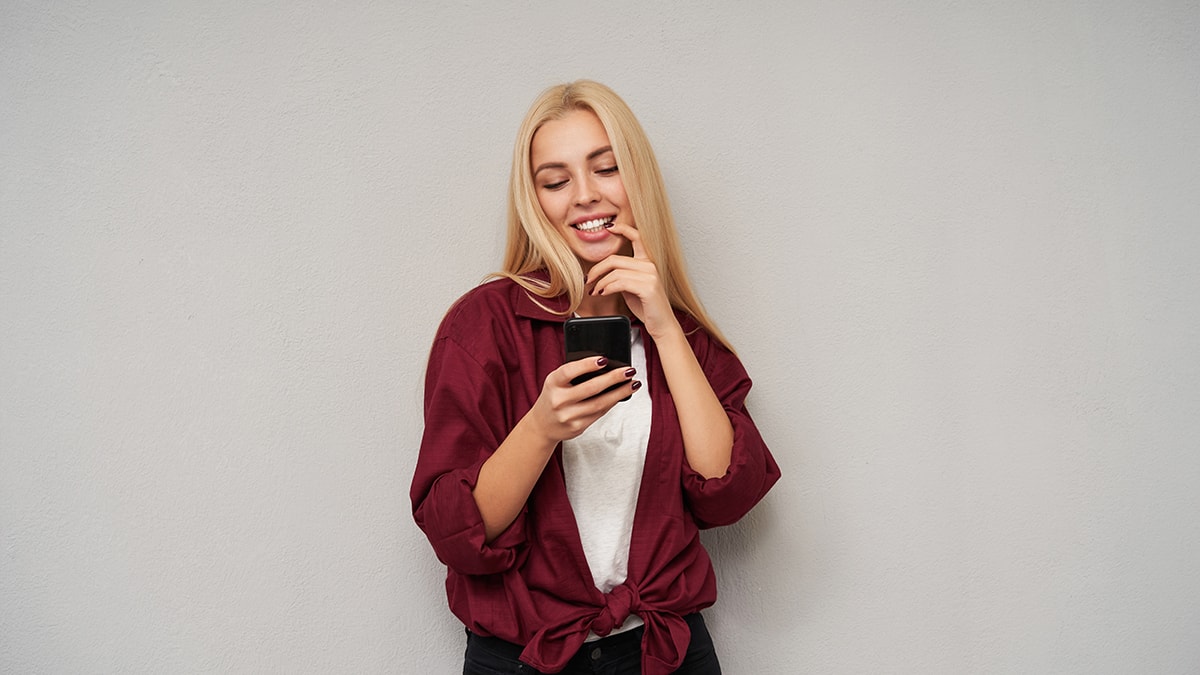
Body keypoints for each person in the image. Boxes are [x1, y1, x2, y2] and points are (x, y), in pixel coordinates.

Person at [410, 80, 780, 675]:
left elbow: (728, 492)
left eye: (606, 169)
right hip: (526, 658)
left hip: (667, 652)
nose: (584, 196)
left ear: (638, 180)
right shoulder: (481, 325)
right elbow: (457, 535)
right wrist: (540, 428)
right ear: (534, 200)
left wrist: (662, 327)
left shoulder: (683, 335)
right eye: (555, 181)